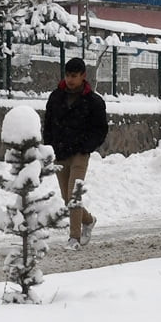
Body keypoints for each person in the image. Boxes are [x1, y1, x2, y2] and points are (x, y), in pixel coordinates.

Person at [42, 57, 108, 251]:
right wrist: (49, 148)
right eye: (68, 75)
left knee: (74, 195)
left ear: (83, 76)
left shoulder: (94, 101)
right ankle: (88, 220)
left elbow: (100, 129)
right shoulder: (56, 97)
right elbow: (48, 125)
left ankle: (74, 238)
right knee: (67, 198)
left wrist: (86, 147)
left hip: (80, 153)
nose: (70, 80)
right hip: (60, 152)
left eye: (74, 76)